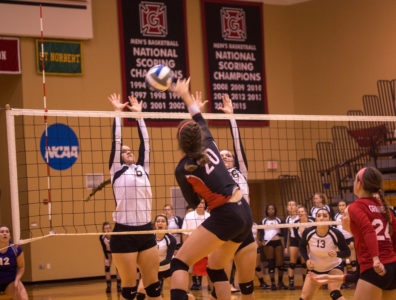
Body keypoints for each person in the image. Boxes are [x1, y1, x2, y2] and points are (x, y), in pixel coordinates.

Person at [170, 78, 254, 300]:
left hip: (225, 214)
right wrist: (184, 94)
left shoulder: (182, 170)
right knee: (215, 268)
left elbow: (193, 201)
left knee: (179, 262)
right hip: (244, 211)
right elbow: (197, 115)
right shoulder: (208, 139)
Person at [107, 93, 162, 300]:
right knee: (129, 289)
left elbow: (145, 144)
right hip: (124, 233)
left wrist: (139, 116)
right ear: (118, 157)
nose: (128, 151)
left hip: (146, 230)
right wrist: (117, 114)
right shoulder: (116, 170)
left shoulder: (142, 168)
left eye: (130, 150)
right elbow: (116, 140)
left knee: (153, 287)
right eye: (124, 151)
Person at [344, 167, 396, 299]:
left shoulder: (356, 206)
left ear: (359, 183)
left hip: (374, 268)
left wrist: (376, 258)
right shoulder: (384, 207)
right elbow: (394, 233)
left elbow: (369, 230)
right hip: (392, 267)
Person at [299, 208, 351, 300]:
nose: (321, 218)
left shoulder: (336, 233)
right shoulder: (308, 232)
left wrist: (337, 254)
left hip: (333, 267)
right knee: (304, 298)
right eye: (318, 216)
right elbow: (302, 247)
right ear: (315, 219)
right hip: (315, 269)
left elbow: (347, 252)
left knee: (334, 292)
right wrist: (307, 260)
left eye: (325, 216)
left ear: (329, 219)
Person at [137, 215, 177, 300]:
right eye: (158, 221)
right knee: (140, 291)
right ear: (154, 224)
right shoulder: (149, 238)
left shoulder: (171, 239)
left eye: (163, 221)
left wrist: (153, 265)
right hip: (153, 270)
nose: (160, 223)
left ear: (166, 224)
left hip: (167, 269)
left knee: (178, 291)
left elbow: (168, 259)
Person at [181, 199, 210, 290]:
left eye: (202, 202)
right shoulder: (189, 216)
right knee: (189, 271)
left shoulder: (209, 216)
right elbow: (184, 233)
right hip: (192, 247)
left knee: (211, 271)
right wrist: (186, 248)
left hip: (207, 247)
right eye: (198, 202)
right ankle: (186, 292)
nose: (200, 204)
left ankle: (214, 292)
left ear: (205, 204)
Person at [259, 204, 287, 290]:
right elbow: (261, 233)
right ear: (266, 211)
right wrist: (262, 241)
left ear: (275, 210)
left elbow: (284, 232)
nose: (271, 211)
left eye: (272, 209)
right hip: (268, 243)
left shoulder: (279, 220)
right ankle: (273, 283)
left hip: (277, 242)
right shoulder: (263, 221)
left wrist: (279, 234)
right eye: (269, 209)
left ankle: (280, 282)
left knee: (280, 263)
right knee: (270, 263)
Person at [0, 225, 28, 300]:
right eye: (2, 232)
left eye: (7, 232)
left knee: (23, 298)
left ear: (10, 236)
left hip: (10, 281)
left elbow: (21, 267)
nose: (4, 233)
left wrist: (16, 280)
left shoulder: (15, 248)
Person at [334, 200, 357, 281]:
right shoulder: (336, 216)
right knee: (343, 260)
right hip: (341, 240)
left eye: (343, 205)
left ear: (346, 206)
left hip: (350, 238)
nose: (341, 207)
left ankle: (355, 278)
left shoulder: (350, 215)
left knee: (352, 256)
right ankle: (343, 279)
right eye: (340, 205)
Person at [292, 205, 315, 284]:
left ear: (306, 212)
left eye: (302, 211)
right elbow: (296, 236)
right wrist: (304, 244)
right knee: (305, 262)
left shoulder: (312, 220)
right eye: (299, 212)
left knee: (315, 262)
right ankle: (305, 280)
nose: (300, 213)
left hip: (313, 243)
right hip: (303, 244)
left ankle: (317, 280)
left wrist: (310, 243)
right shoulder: (296, 223)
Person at [99, 222, 121, 293]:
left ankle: (119, 286)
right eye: (106, 228)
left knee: (118, 267)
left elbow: (116, 247)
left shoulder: (114, 236)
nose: (108, 230)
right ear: (103, 230)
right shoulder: (102, 237)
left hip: (115, 251)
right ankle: (108, 286)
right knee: (107, 267)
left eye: (109, 228)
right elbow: (105, 248)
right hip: (107, 253)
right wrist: (107, 258)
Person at [284, 200, 299, 289]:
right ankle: (291, 283)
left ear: (296, 207)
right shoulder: (287, 219)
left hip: (301, 240)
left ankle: (305, 281)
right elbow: (287, 234)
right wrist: (286, 246)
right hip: (293, 240)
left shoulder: (300, 216)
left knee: (305, 262)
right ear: (287, 208)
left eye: (293, 205)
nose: (291, 207)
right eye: (289, 205)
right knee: (292, 263)